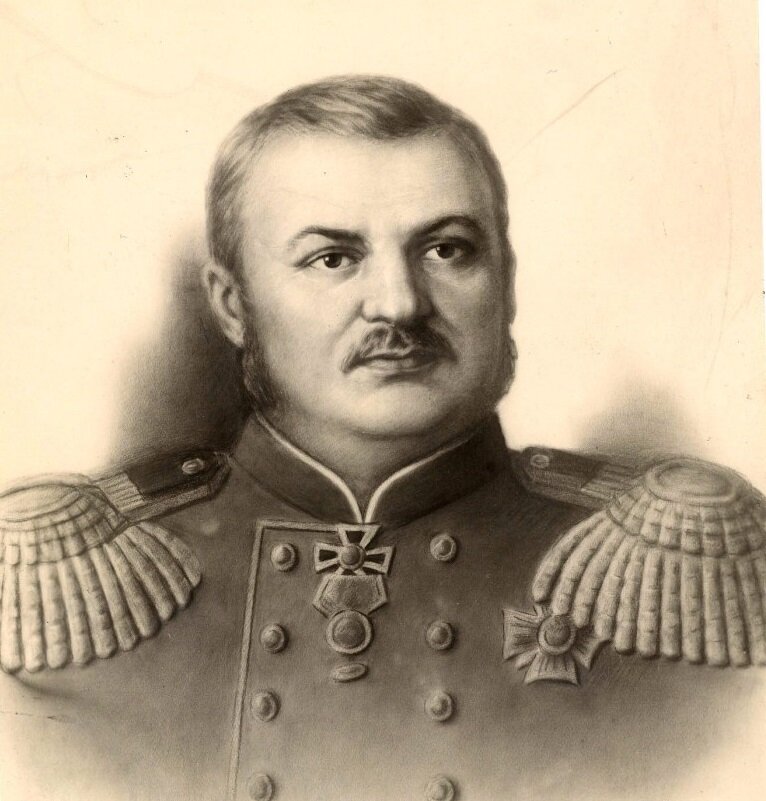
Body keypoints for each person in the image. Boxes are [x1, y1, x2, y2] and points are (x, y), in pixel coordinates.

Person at [0, 75, 763, 801]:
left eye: (447, 249)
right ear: (232, 304)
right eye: (333, 258)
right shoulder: (49, 573)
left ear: (506, 279)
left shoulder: (696, 556)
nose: (399, 304)